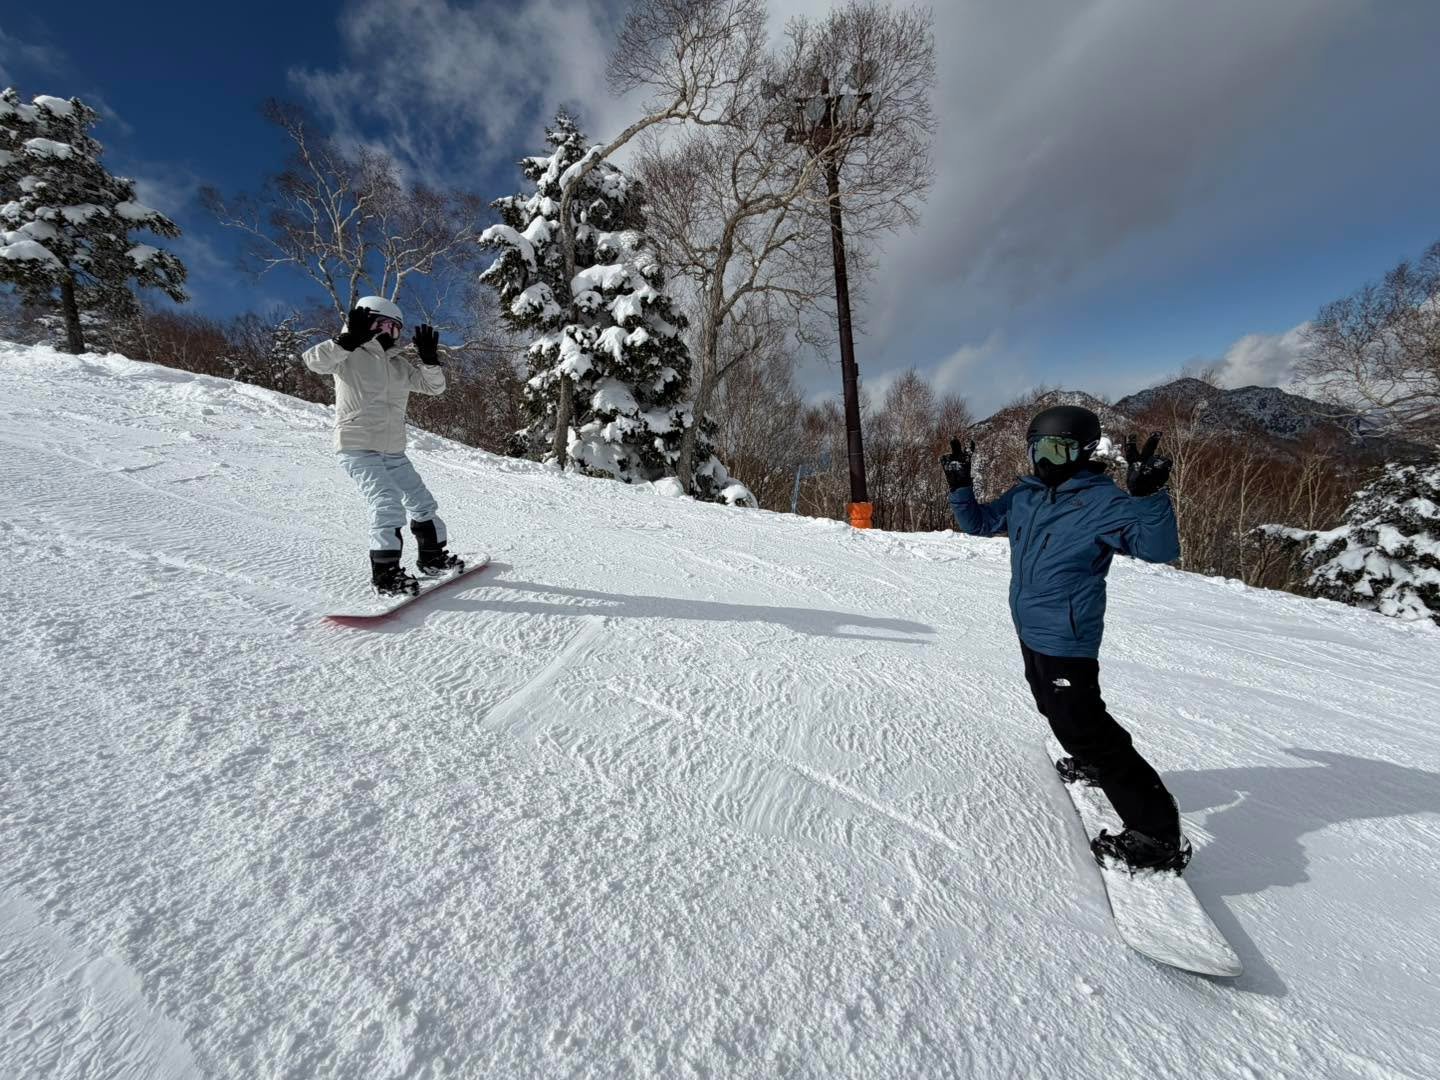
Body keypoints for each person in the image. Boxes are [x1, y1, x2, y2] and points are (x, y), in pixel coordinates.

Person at [941, 405, 1191, 873]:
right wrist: (959, 486)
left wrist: (1147, 497)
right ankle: (1091, 765)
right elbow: (978, 523)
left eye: (1058, 449)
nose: (1045, 459)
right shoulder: (1026, 495)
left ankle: (1157, 834)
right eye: (1038, 448)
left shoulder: (1102, 501)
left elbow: (1160, 550)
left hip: (1068, 636)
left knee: (1089, 729)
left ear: (1083, 451)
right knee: (1050, 706)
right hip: (1031, 627)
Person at [303, 297, 462, 596]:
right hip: (358, 446)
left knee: (422, 502)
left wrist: (429, 362)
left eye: (395, 328)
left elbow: (434, 387)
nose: (389, 332)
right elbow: (313, 361)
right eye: (383, 325)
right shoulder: (349, 354)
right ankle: (386, 574)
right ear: (367, 324)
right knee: (387, 503)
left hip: (393, 450)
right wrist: (346, 340)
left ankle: (432, 558)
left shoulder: (398, 365)